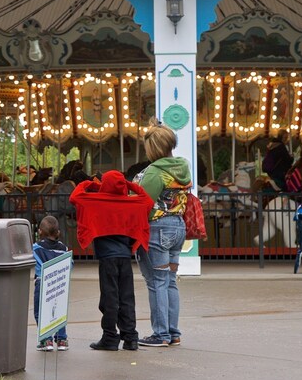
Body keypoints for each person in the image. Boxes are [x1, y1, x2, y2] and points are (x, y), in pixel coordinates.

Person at [70, 170, 152, 351]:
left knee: (109, 298)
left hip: (107, 258)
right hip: (124, 257)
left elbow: (75, 196)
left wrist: (92, 184)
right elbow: (148, 200)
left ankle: (109, 337)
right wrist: (128, 184)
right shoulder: (131, 203)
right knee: (127, 297)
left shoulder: (96, 202)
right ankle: (130, 338)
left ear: (105, 184)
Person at [136, 121, 190, 348]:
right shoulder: (182, 167)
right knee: (170, 282)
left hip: (157, 229)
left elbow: (142, 204)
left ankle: (160, 334)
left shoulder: (155, 172)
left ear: (153, 148)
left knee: (156, 281)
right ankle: (173, 332)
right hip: (178, 227)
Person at [32, 215, 71, 351]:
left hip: (42, 283)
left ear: (40, 232)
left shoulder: (36, 248)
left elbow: (29, 260)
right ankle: (61, 340)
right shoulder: (64, 249)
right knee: (59, 311)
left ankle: (46, 340)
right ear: (58, 233)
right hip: (60, 284)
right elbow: (69, 264)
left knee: (40, 312)